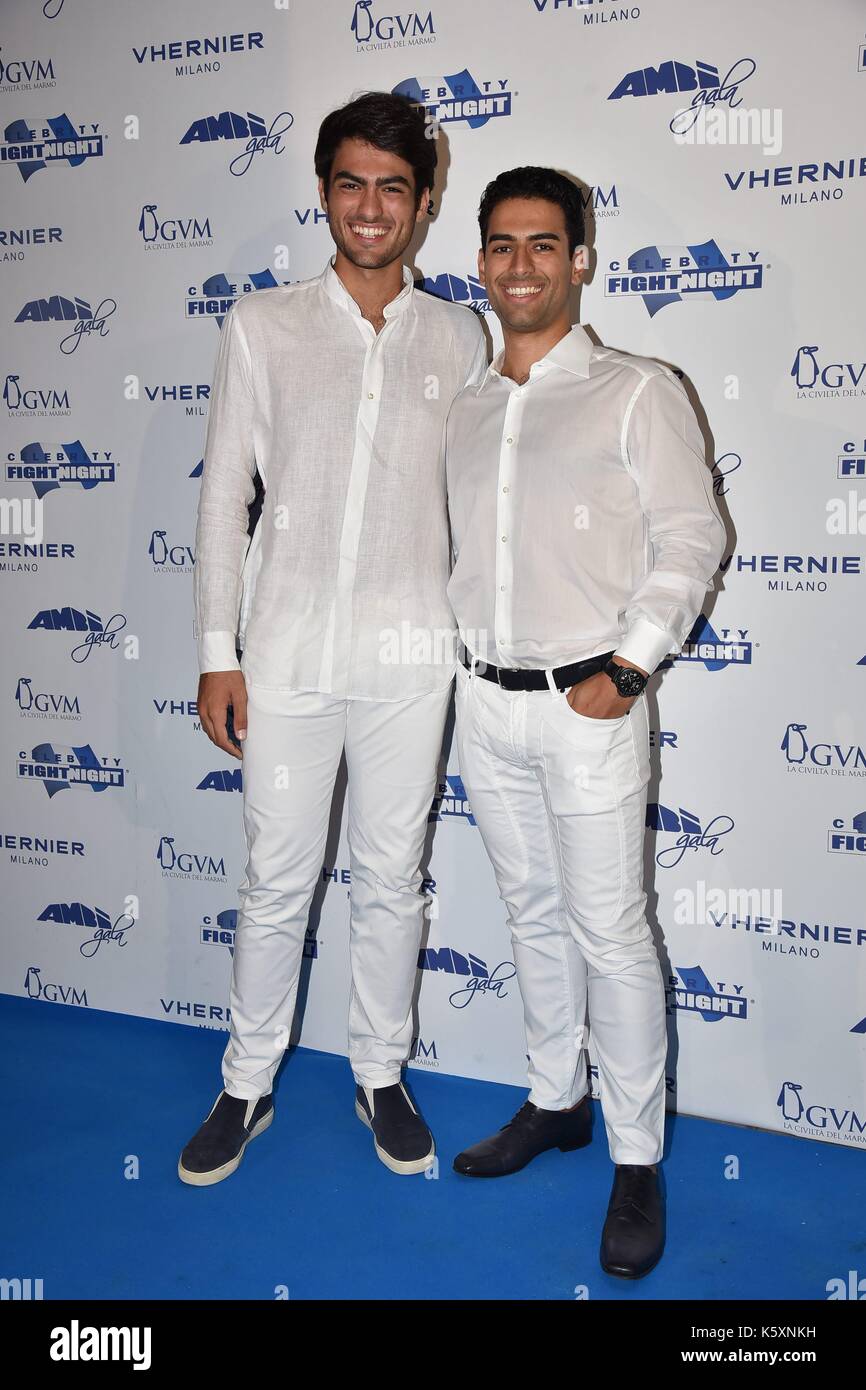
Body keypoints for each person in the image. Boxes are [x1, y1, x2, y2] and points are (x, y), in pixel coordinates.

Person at [179, 91, 486, 1187]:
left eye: (392, 188)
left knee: (393, 878)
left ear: (422, 203)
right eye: (350, 183)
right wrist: (221, 648)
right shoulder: (262, 325)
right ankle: (247, 1080)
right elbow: (225, 498)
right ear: (323, 193)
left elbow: (474, 498)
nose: (369, 206)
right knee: (274, 877)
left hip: (413, 656)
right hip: (288, 649)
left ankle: (378, 1070)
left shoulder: (459, 332)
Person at [444, 166, 727, 1277]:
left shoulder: (633, 388)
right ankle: (555, 1100)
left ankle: (636, 1156)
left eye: (542, 245)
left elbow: (689, 536)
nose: (520, 264)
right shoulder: (466, 402)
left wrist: (628, 664)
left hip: (588, 703)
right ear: (480, 260)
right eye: (501, 245)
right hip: (484, 698)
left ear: (579, 260)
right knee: (527, 911)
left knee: (610, 930)